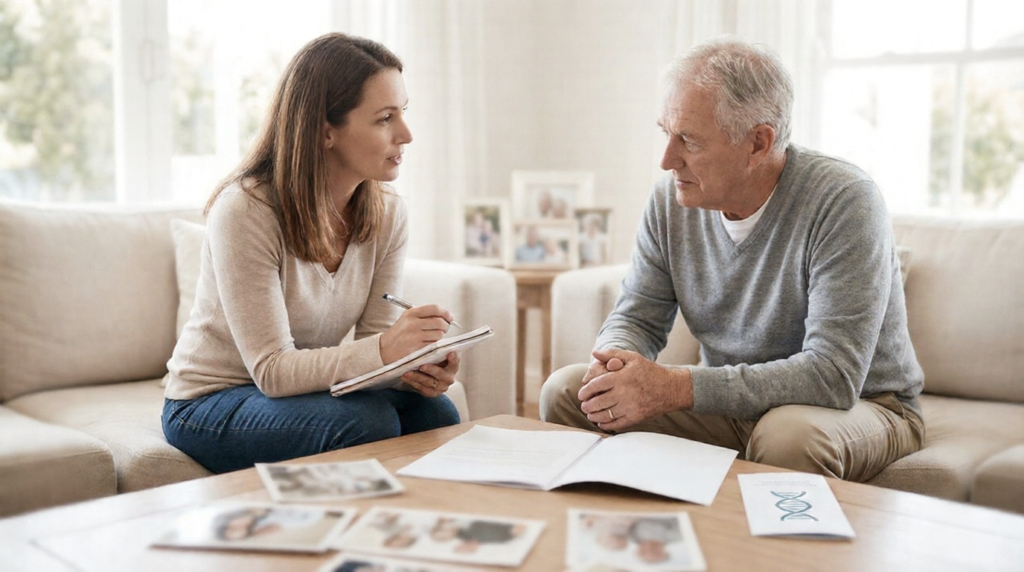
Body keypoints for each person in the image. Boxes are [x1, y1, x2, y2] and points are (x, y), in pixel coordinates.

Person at [540, 37, 925, 483]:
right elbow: (638, 316)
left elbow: (831, 376)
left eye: (688, 140)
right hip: (731, 402)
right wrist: (616, 365)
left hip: (863, 405)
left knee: (787, 436)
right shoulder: (670, 201)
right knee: (570, 391)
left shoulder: (843, 200)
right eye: (666, 132)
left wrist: (676, 387)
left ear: (758, 143)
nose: (667, 160)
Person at [161, 33, 461, 475]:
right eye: (384, 118)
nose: (406, 134)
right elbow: (271, 371)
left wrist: (413, 365)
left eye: (404, 113)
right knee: (366, 422)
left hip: (295, 395)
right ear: (325, 131)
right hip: (209, 402)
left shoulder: (388, 213)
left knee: (437, 415)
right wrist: (386, 349)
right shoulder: (246, 209)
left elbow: (370, 345)